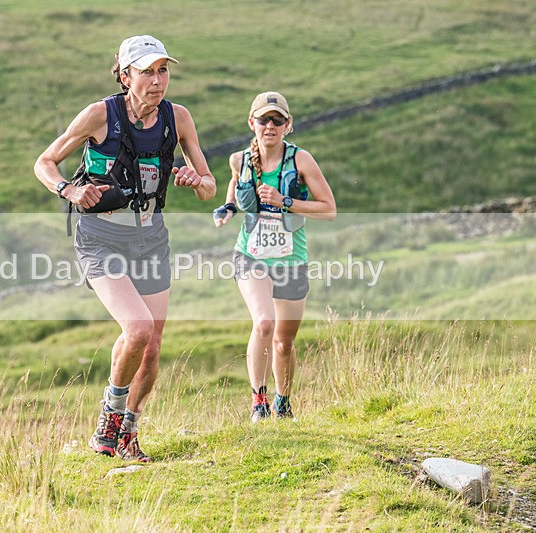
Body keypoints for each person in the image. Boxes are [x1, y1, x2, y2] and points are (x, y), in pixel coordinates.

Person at [34, 35, 216, 461]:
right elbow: (44, 161)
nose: (157, 81)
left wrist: (197, 182)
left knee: (152, 346)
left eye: (163, 71)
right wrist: (68, 190)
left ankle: (128, 431)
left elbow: (209, 187)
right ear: (124, 75)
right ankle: (110, 416)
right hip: (101, 237)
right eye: (147, 72)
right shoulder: (100, 115)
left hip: (151, 238)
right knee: (137, 328)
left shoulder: (179, 118)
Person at [214, 91, 336, 422]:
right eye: (264, 120)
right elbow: (235, 184)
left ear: (288, 126)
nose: (270, 126)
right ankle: (259, 403)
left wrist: (286, 202)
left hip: (291, 260)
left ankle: (283, 402)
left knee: (284, 342)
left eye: (277, 120)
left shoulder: (301, 161)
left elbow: (329, 209)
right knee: (264, 323)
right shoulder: (239, 160)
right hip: (250, 256)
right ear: (251, 123)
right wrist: (228, 207)